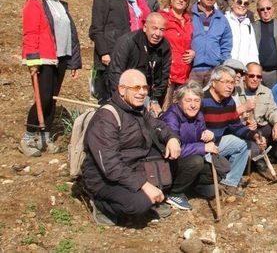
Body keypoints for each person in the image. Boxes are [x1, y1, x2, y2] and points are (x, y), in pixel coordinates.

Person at [83, 69, 181, 226]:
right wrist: (144, 184)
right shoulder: (107, 117)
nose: (142, 92)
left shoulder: (139, 110)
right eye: (136, 88)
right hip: (102, 178)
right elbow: (110, 166)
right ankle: (101, 204)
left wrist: (172, 138)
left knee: (175, 157)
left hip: (132, 167)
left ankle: (148, 198)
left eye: (144, 88)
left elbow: (159, 126)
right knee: (139, 204)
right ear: (122, 90)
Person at [19, 0, 81, 157]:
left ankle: (45, 137)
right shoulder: (35, 2)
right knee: (43, 98)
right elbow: (30, 32)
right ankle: (28, 137)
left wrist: (73, 62)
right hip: (43, 58)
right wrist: (32, 60)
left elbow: (71, 34)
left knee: (52, 99)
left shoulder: (60, 4)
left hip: (60, 57)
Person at [160, 81, 231, 210]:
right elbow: (174, 150)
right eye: (188, 100)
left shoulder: (198, 115)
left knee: (222, 168)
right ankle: (174, 192)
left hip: (188, 159)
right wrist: (203, 148)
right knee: (196, 161)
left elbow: (203, 138)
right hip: (170, 162)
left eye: (197, 101)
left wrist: (209, 135)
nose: (193, 105)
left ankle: (189, 186)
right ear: (179, 101)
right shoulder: (171, 117)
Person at [202, 66, 266, 196]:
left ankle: (229, 183)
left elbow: (236, 126)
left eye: (232, 82)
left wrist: (253, 135)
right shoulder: (202, 100)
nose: (230, 86)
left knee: (243, 144)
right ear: (214, 83)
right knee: (209, 190)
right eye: (225, 82)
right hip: (200, 146)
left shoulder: (229, 102)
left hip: (218, 143)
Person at [109, 13, 172, 116]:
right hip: (125, 93)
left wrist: (154, 100)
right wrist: (123, 100)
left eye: (161, 30)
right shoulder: (127, 42)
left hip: (147, 95)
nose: (157, 34)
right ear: (145, 28)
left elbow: (163, 77)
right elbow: (115, 73)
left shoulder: (164, 46)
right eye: (154, 28)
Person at [89, 0, 130, 103]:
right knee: (108, 92)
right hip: (108, 53)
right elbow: (96, 28)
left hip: (121, 51)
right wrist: (104, 52)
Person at [235, 62, 277, 164]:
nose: (255, 79)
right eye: (251, 75)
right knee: (252, 146)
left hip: (259, 126)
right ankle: (257, 158)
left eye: (258, 76)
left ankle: (272, 153)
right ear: (245, 76)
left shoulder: (266, 91)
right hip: (242, 128)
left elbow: (272, 110)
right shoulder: (236, 90)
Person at [189, 0, 232, 87]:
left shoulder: (221, 19)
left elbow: (226, 44)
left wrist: (221, 61)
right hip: (192, 69)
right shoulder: (189, 15)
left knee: (210, 103)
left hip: (214, 71)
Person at [159, 0, 195, 110]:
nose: (181, 0)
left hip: (184, 73)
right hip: (168, 73)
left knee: (179, 111)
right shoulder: (162, 17)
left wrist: (193, 52)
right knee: (165, 110)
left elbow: (191, 42)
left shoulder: (189, 20)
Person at [252, 0, 277, 87]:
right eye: (262, 9)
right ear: (258, 12)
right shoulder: (252, 27)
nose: (265, 11)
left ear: (273, 9)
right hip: (258, 74)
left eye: (268, 8)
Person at [225, 0, 259, 65]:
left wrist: (253, 67)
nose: (242, 5)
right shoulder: (225, 21)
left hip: (243, 70)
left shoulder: (248, 25)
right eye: (239, 2)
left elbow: (253, 51)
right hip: (226, 68)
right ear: (232, 4)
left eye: (245, 3)